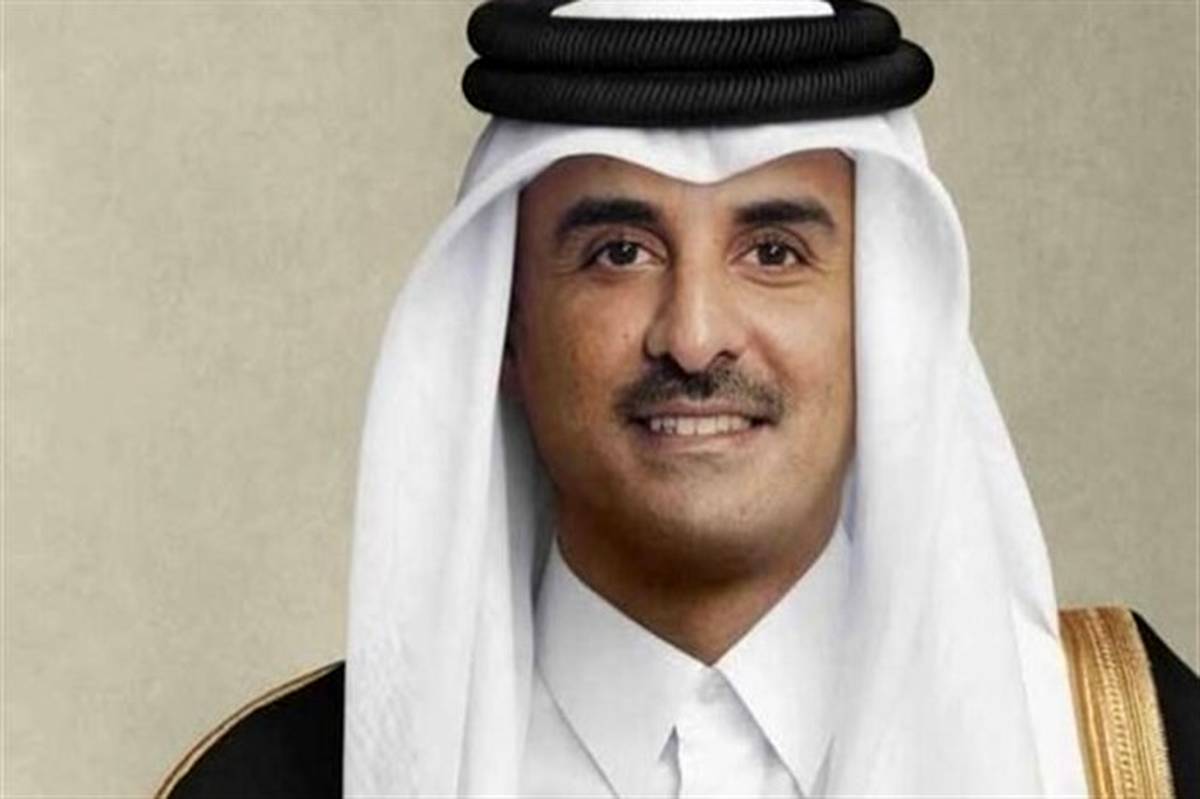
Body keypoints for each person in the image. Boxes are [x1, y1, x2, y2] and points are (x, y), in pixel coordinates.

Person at [155, 1, 1199, 797]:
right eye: (619, 252)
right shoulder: (275, 783)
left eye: (774, 252)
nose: (694, 335)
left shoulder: (1128, 754)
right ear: (505, 330)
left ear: (887, 324)